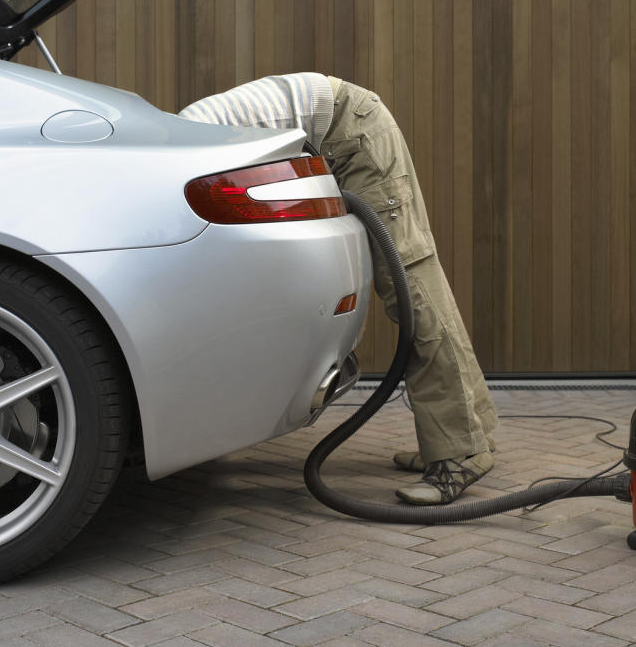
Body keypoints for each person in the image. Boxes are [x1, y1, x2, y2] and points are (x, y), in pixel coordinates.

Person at [180, 72, 499, 504]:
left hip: (351, 131)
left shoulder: (187, 151)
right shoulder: (180, 139)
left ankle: (460, 454)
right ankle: (473, 434)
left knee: (412, 294)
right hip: (343, 127)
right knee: (421, 286)